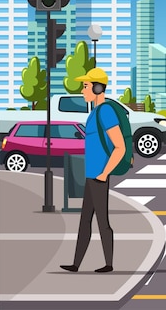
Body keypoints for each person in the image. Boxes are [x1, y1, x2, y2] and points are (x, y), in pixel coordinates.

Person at [60, 68, 125, 273]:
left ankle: (109, 264)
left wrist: (104, 173)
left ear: (98, 87)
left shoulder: (106, 111)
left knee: (102, 221)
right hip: (91, 175)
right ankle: (76, 264)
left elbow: (120, 146)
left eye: (86, 86)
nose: (82, 90)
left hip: (99, 176)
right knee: (85, 220)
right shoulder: (94, 112)